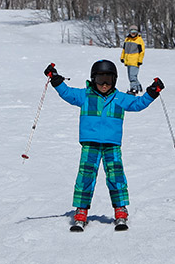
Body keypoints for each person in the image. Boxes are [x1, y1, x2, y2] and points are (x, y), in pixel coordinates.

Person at [45, 60, 164, 231]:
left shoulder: (120, 98)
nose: (104, 84)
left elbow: (138, 104)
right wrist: (56, 80)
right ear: (93, 79)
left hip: (112, 145)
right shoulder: (85, 95)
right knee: (85, 177)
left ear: (114, 80)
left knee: (116, 177)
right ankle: (81, 211)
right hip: (90, 144)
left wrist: (152, 93)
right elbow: (67, 93)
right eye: (100, 79)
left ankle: (120, 210)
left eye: (108, 79)